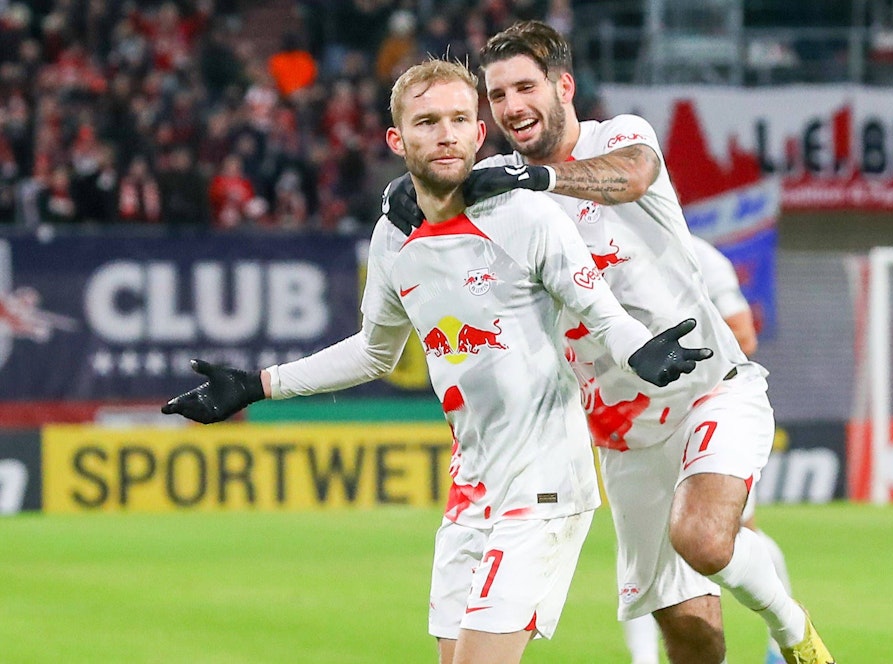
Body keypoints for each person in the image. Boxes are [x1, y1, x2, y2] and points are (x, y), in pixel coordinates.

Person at [161, 58, 712, 664]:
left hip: (544, 486)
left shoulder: (526, 215)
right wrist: (258, 384)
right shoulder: (393, 237)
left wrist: (641, 350)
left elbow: (601, 312)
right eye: (427, 122)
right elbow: (374, 350)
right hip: (471, 489)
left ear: (479, 133)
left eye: (458, 120)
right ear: (397, 140)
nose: (446, 134)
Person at [383, 20, 833, 664]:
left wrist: (536, 179)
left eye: (526, 87)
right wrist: (405, 192)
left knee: (703, 539)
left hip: (707, 391)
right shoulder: (500, 195)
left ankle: (793, 631)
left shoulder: (617, 137)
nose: (512, 105)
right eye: (498, 94)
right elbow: (436, 191)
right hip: (625, 440)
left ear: (563, 87)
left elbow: (633, 175)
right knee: (688, 629)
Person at [621, 235, 794, 664]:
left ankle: (782, 640)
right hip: (637, 424)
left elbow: (744, 337)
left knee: (725, 538)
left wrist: (678, 351)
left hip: (706, 413)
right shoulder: (590, 249)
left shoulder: (699, 255)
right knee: (647, 559)